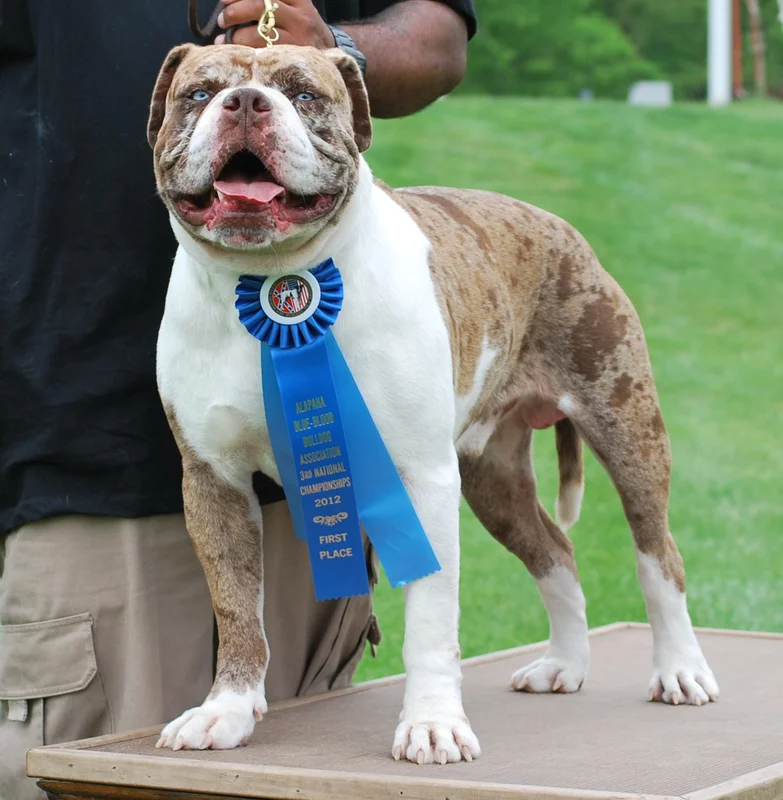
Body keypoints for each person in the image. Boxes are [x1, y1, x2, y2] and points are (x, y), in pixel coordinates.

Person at [0, 0, 476, 797]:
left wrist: (338, 45)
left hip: (324, 496)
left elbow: (437, 35)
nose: (249, 111)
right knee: (92, 776)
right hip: (84, 464)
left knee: (320, 775)